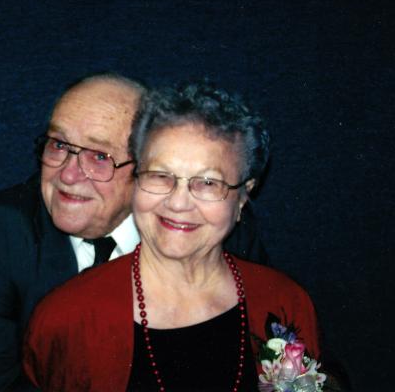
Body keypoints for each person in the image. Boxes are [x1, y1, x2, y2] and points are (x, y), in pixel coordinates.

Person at [0, 74, 268, 391]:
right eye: (58, 145)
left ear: (146, 168)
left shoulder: (208, 228)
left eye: (100, 156)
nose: (68, 175)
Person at [23, 81, 322, 391]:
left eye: (208, 183)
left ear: (243, 197)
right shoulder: (66, 319)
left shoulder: (285, 302)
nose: (178, 203)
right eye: (160, 176)